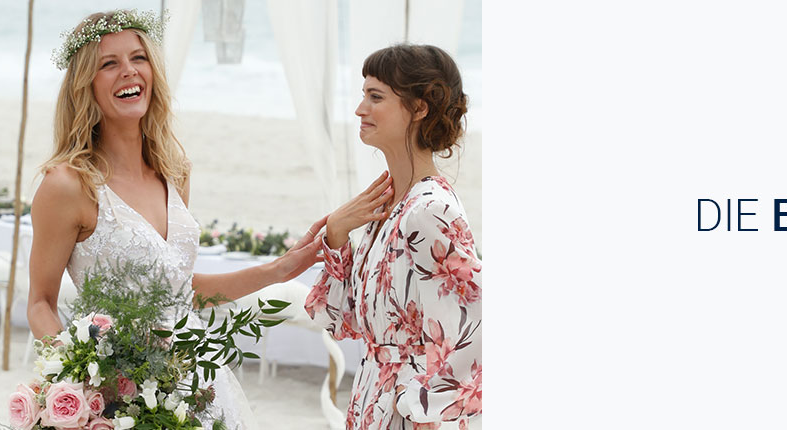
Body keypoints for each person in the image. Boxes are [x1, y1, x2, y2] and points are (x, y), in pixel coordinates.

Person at [26, 10, 327, 430]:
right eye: (109, 63)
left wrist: (278, 270)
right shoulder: (68, 185)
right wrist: (81, 378)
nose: (129, 71)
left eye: (139, 58)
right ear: (85, 85)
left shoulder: (175, 170)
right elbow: (40, 303)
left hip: (197, 380)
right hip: (117, 392)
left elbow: (179, 291)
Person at [306, 44, 482, 429]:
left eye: (376, 96)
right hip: (370, 397)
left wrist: (417, 400)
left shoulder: (430, 210)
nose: (360, 109)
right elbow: (342, 318)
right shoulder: (387, 205)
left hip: (407, 413)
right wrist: (337, 234)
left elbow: (474, 322)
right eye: (363, 95)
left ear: (419, 108)